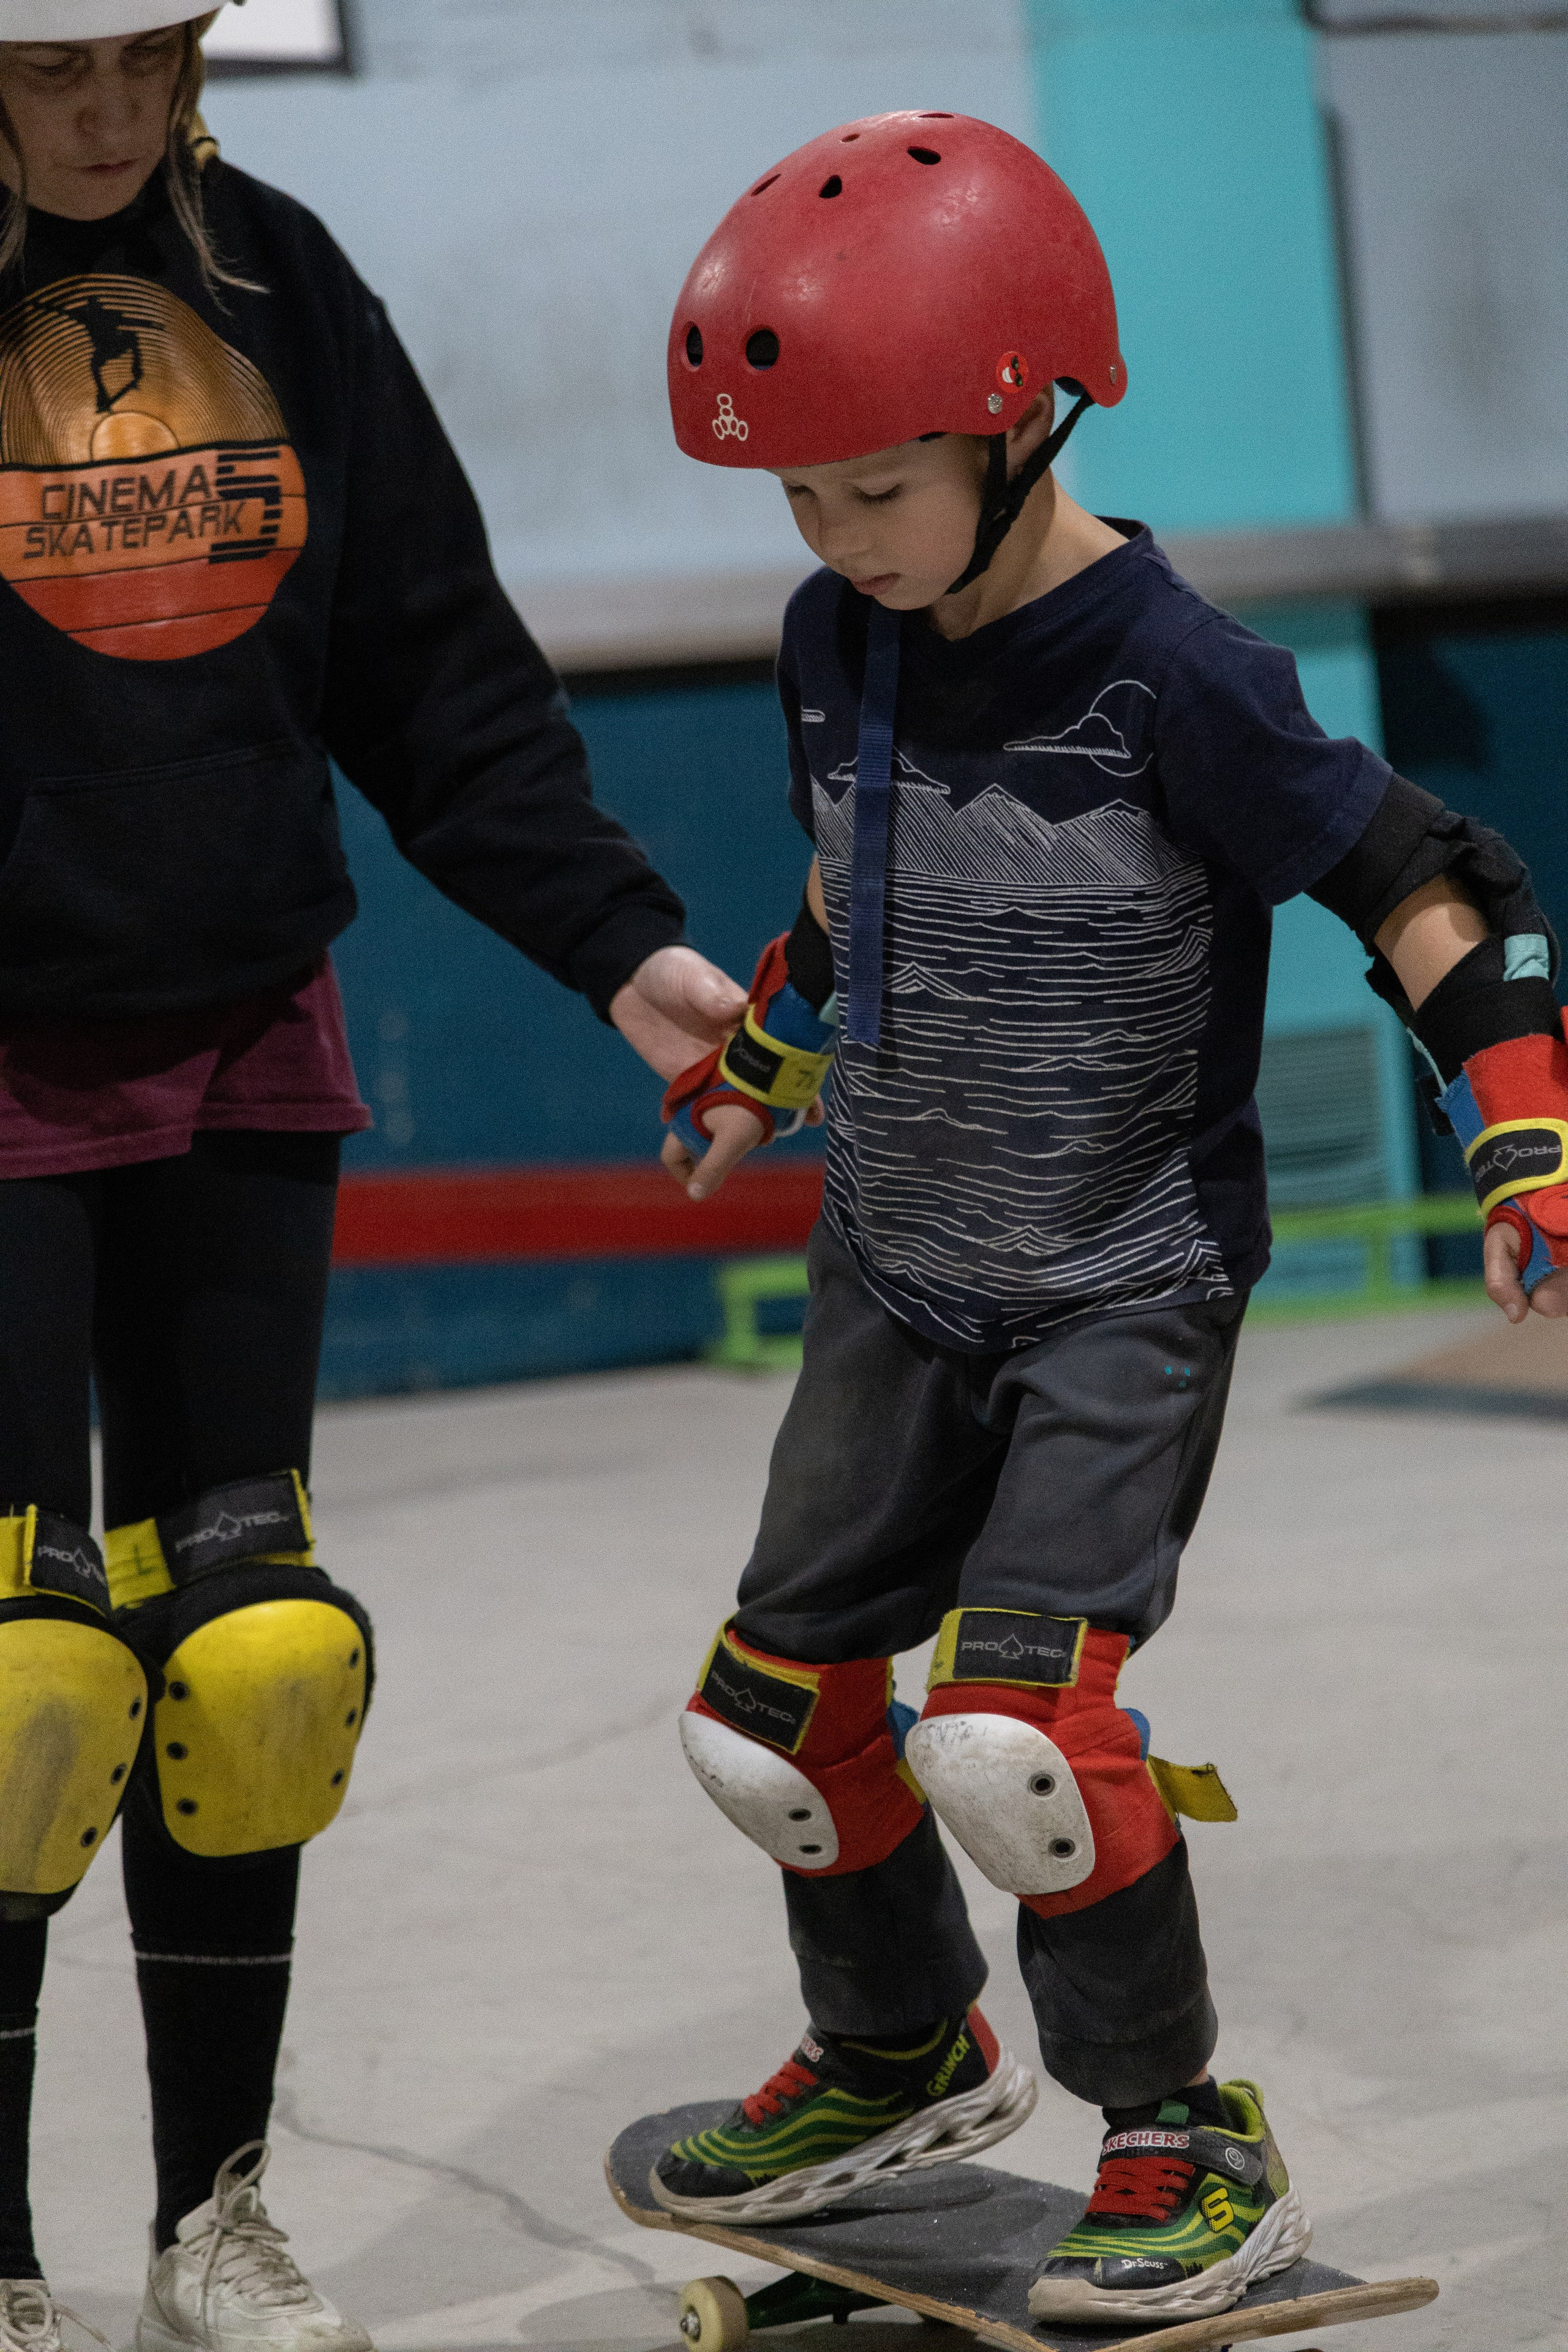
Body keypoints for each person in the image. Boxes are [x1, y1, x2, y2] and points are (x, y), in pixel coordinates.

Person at [645, 111, 1568, 2329]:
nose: (835, 538)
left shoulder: (1186, 678)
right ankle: (891, 2060)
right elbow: (844, 882)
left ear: (1026, 412)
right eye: (798, 496)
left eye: (875, 490)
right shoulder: (831, 637)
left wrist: (1525, 1124)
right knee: (769, 1720)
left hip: (1117, 1279)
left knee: (1018, 1734)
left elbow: (1426, 881)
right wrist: (767, 1059)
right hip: (895, 1248)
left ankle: (1184, 2142)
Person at [0, 10, 746, 2352]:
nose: (108, 112)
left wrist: (622, 948)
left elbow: (438, 668)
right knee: (16, 1685)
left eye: (143, 58)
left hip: (246, 1036)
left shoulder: (284, 286)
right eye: (53, 69)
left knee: (256, 1654)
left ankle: (211, 2215)